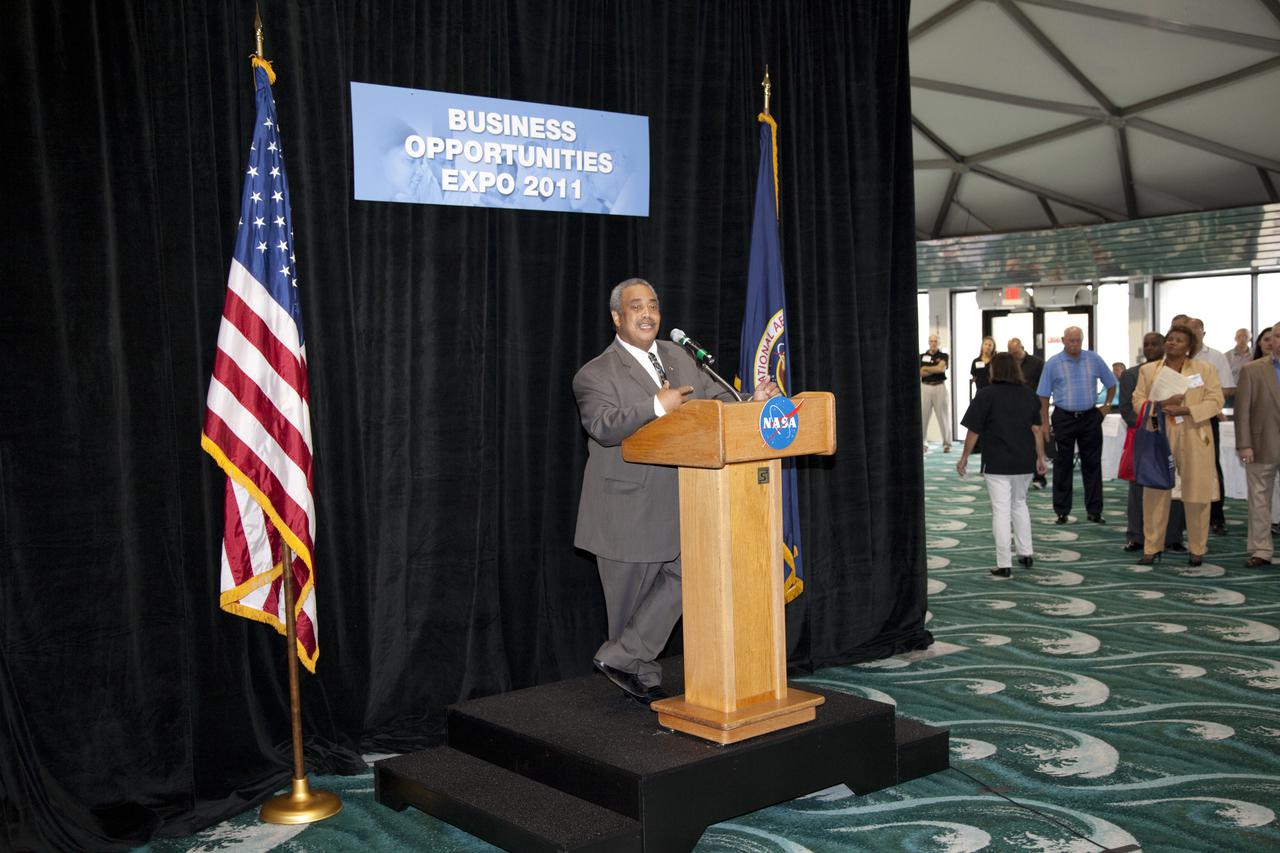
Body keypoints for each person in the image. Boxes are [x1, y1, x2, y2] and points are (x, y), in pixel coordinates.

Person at [573, 277, 778, 704]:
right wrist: (654, 407)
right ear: (617, 317)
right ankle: (635, 684)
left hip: (684, 501)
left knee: (690, 573)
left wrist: (751, 400)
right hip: (625, 511)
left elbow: (715, 402)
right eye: (636, 307)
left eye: (653, 306)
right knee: (628, 610)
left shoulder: (679, 355)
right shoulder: (594, 373)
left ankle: (624, 660)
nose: (647, 314)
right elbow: (603, 426)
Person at [1131, 324, 1224, 566]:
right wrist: (1158, 406)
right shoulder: (1149, 370)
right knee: (1155, 493)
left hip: (1195, 435)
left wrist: (1186, 409)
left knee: (1197, 495)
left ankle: (1197, 549)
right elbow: (1137, 400)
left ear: (1189, 347)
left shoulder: (1205, 370)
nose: (1172, 343)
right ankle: (1152, 548)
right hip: (1160, 435)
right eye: (1170, 339)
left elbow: (1216, 401)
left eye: (1179, 340)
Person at [956, 353, 1047, 578]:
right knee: (1020, 504)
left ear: (994, 371)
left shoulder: (986, 395)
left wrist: (964, 456)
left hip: (997, 461)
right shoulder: (1029, 395)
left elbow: (974, 430)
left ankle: (1004, 563)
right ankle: (1026, 553)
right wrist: (1040, 457)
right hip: (1024, 460)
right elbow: (1037, 430)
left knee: (1001, 510)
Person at [1037, 326, 1117, 524]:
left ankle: (1094, 511)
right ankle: (1062, 511)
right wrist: (1045, 424)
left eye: (1078, 341)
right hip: (1063, 417)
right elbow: (1043, 395)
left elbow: (1112, 383)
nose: (1074, 345)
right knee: (1063, 465)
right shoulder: (1053, 363)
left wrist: (1106, 405)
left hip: (1090, 417)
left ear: (1082, 341)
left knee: (1092, 464)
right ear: (1063, 341)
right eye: (1071, 341)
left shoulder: (1094, 359)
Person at [1118, 333, 1185, 553]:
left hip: (1175, 435)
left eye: (1154, 344)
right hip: (1144, 437)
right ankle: (1136, 536)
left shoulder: (1180, 372)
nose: (1149, 348)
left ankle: (1173, 537)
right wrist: (1155, 427)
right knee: (1139, 488)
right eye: (1146, 344)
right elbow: (1128, 410)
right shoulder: (1131, 374)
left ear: (1164, 346)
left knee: (1173, 485)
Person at [1233, 319, 1280, 568]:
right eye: (1276, 336)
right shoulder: (1253, 369)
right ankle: (1261, 549)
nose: (1278, 341)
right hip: (1261, 444)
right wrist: (1244, 444)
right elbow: (1242, 411)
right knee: (1260, 499)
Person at [1188, 318, 1233, 535]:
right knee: (1182, 467)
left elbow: (1227, 389)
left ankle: (1216, 517)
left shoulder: (1215, 357)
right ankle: (1184, 517)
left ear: (1203, 333)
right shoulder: (1177, 358)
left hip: (1207, 418)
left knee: (1210, 466)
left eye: (1195, 331)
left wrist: (1202, 399)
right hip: (1179, 419)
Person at [1008, 337, 1045, 487]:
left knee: (1035, 439)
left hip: (1032, 406)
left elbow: (1044, 385)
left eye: (1015, 352)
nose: (1013, 355)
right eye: (1010, 352)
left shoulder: (1037, 363)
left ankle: (1039, 477)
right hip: (1012, 407)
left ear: (1022, 348)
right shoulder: (1008, 363)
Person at [920, 334, 951, 452]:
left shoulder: (943, 355)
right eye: (931, 341)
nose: (933, 343)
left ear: (939, 343)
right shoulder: (922, 356)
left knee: (943, 416)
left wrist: (926, 368)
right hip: (926, 387)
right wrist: (934, 368)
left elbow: (941, 369)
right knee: (924, 416)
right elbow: (920, 373)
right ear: (928, 342)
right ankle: (923, 443)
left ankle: (947, 444)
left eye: (935, 341)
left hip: (939, 386)